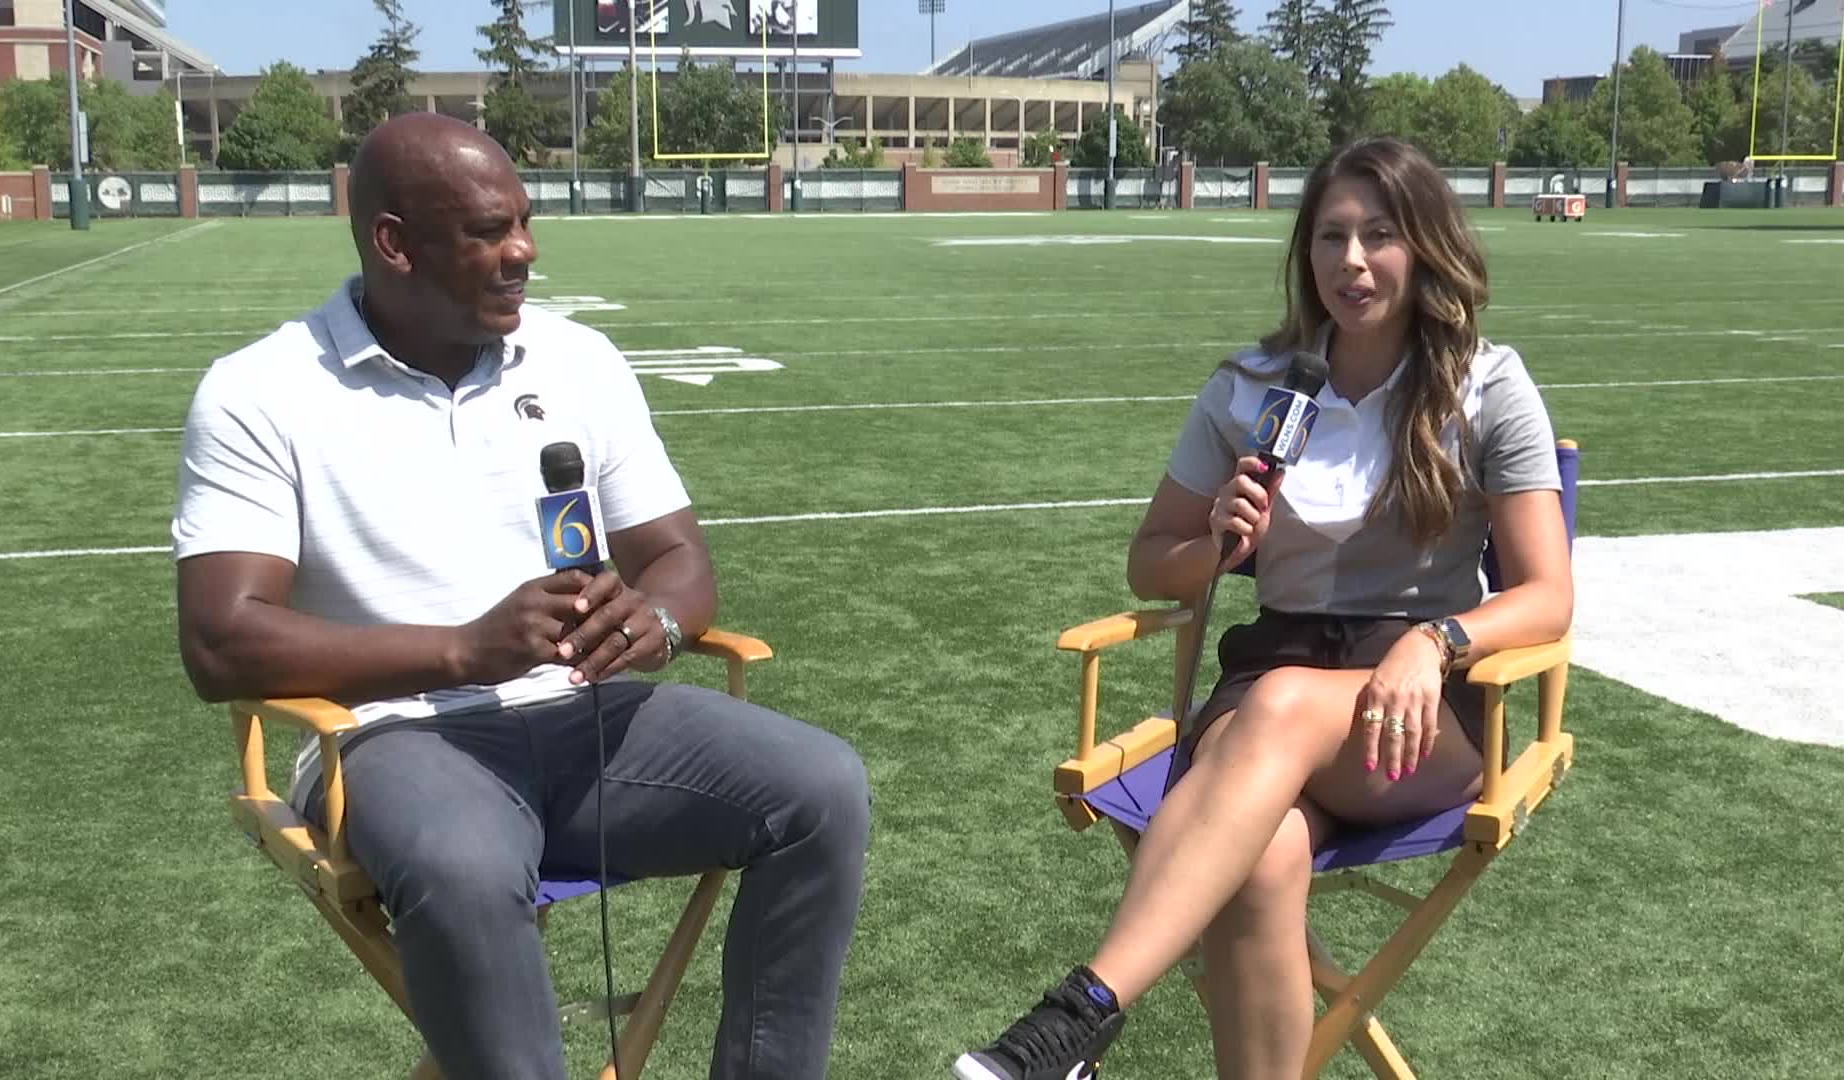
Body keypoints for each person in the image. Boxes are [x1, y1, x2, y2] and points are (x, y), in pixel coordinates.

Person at [172, 113, 869, 1080]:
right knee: (464, 864)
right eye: (488, 231)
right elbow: (220, 643)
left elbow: (679, 559)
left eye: (524, 222)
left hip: (585, 719)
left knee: (822, 790)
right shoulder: (261, 391)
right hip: (389, 738)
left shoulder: (578, 359)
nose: (523, 251)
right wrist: (463, 649)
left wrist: (658, 620)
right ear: (394, 243)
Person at [953, 136, 1574, 1080]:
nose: (1353, 262)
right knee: (1261, 856)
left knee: (1282, 706)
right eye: (1331, 237)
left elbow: (1547, 596)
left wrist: (1434, 641)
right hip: (1262, 685)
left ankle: (1076, 1019)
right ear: (1305, 251)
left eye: (1380, 235)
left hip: (1413, 710)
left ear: (1427, 245)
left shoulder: (1486, 387)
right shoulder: (1254, 389)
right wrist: (1218, 540)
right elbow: (1150, 565)